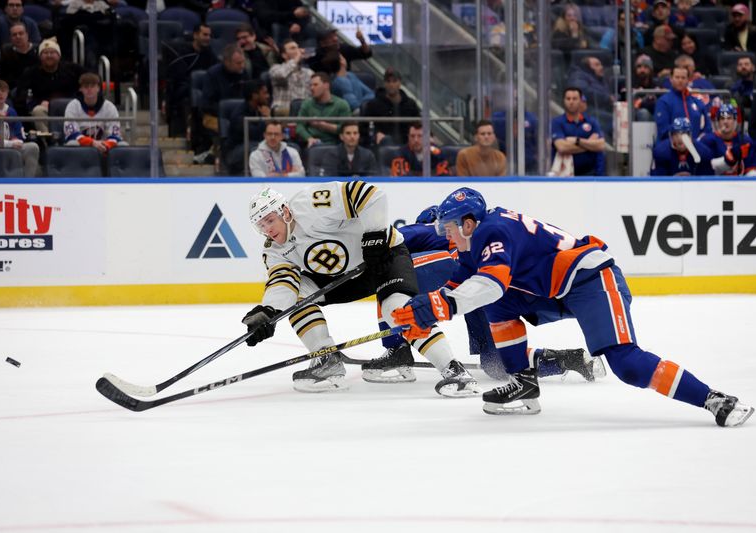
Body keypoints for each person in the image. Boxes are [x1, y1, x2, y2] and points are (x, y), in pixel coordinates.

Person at [390, 187, 754, 427]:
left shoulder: (491, 230)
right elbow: (460, 285)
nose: (445, 234)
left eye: (449, 227)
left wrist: (439, 306)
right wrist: (422, 311)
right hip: (555, 289)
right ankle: (523, 384)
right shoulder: (475, 241)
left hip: (591, 279)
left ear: (468, 223)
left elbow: (491, 284)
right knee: (496, 307)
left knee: (626, 363)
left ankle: (712, 398)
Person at [241, 184, 481, 397]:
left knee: (396, 311)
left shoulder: (310, 204)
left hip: (383, 258)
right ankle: (326, 359)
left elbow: (371, 194)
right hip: (344, 278)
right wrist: (269, 312)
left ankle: (453, 370)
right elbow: (283, 282)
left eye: (270, 220)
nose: (268, 229)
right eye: (261, 225)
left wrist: (375, 236)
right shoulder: (273, 250)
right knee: (297, 298)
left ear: (284, 210)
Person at [368, 205, 605, 385]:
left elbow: (391, 239)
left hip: (466, 281)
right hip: (483, 292)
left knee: (390, 279)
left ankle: (396, 349)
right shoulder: (480, 236)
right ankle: (568, 359)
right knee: (496, 365)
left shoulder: (428, 228)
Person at [15, 39, 85, 133]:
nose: (49, 56)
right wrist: (37, 103)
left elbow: (89, 83)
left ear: (59, 55)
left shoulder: (73, 70)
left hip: (70, 106)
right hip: (44, 109)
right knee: (38, 110)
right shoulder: (31, 73)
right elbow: (22, 97)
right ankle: (50, 140)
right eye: (45, 53)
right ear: (40, 56)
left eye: (52, 52)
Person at [0, 79, 40, 177]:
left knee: (32, 146)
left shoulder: (11, 111)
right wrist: (8, 143)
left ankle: (28, 180)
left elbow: (19, 132)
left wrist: (16, 141)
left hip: (12, 144)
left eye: (3, 91)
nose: (1, 94)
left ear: (7, 93)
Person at [163, 23, 217, 138]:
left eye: (209, 35)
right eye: (205, 35)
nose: (208, 38)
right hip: (183, 90)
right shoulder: (182, 53)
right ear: (196, 35)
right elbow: (178, 78)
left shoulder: (210, 54)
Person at [63, 72, 125, 154]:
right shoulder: (73, 106)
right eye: (85, 87)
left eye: (92, 86)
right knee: (72, 143)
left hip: (104, 146)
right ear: (81, 89)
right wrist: (92, 143)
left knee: (123, 145)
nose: (89, 89)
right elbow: (72, 134)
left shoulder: (109, 107)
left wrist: (105, 145)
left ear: (98, 88)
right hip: (81, 147)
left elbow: (115, 134)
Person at [551, 87, 606, 176]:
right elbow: (562, 147)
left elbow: (601, 145)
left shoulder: (591, 122)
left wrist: (577, 141)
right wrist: (589, 144)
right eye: (568, 99)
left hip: (590, 175)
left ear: (580, 101)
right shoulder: (557, 122)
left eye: (574, 99)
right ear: (564, 101)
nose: (571, 102)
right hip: (565, 176)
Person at [360, 67, 420, 146]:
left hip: (407, 147)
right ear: (384, 83)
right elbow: (363, 128)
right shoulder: (374, 105)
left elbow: (419, 125)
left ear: (400, 83)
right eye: (388, 81)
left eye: (394, 81)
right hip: (381, 146)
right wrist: (376, 134)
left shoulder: (410, 104)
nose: (391, 85)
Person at [295, 71, 352, 148]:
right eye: (311, 85)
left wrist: (322, 125)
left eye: (315, 85)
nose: (312, 88)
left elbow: (346, 129)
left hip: (335, 145)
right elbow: (299, 126)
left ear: (326, 85)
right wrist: (309, 138)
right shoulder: (307, 104)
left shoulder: (341, 104)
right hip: (312, 144)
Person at [654, 65, 711, 140]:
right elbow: (663, 130)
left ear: (688, 80)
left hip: (695, 146)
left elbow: (707, 128)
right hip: (671, 146)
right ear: (671, 79)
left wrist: (700, 140)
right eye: (677, 77)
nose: (680, 80)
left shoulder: (697, 102)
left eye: (683, 78)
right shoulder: (663, 102)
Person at [699, 104, 752, 176]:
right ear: (718, 121)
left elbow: (751, 169)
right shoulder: (707, 141)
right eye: (722, 118)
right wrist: (730, 157)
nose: (725, 122)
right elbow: (707, 167)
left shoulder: (745, 141)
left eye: (729, 118)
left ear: (735, 121)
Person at [268, 38, 313, 116]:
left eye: (298, 47)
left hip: (304, 114)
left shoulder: (309, 73)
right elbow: (281, 75)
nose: (298, 51)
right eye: (293, 48)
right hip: (283, 112)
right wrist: (296, 59)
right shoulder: (275, 68)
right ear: (284, 55)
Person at [0, 22, 38, 97]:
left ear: (27, 35)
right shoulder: (7, 53)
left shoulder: (37, 51)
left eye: (21, 33)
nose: (18, 37)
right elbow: (5, 77)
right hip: (16, 88)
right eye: (14, 35)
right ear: (11, 38)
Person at [308, 27, 372, 75]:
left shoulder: (344, 49)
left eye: (335, 35)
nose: (335, 39)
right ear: (322, 43)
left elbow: (366, 54)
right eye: (330, 37)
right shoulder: (316, 55)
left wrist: (362, 40)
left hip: (347, 79)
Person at [623, 54, 658, 121]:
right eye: (639, 67)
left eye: (645, 67)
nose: (642, 70)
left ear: (650, 70)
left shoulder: (656, 84)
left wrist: (642, 102)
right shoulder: (629, 83)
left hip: (653, 114)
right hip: (635, 114)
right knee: (642, 113)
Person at [730, 55, 756, 123]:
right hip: (736, 121)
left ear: (753, 67)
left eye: (746, 64)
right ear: (737, 68)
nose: (743, 67)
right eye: (740, 65)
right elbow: (731, 104)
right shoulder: (730, 86)